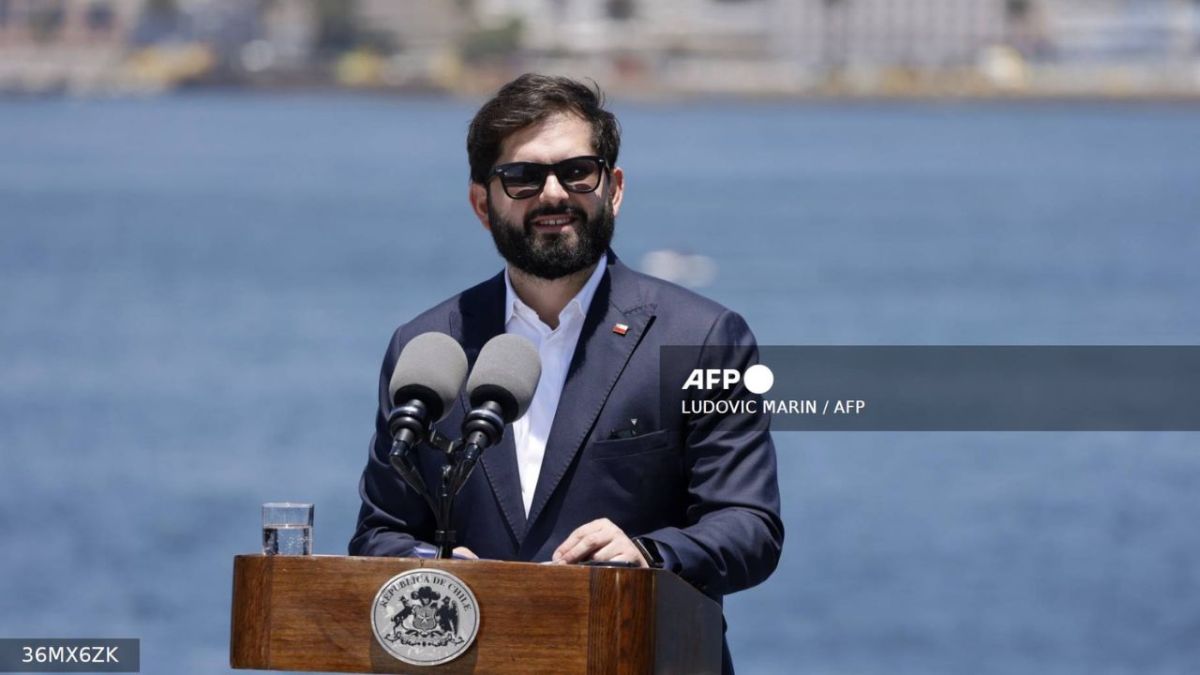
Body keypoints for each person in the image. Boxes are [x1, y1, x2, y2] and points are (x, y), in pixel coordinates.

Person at [349, 73, 783, 673]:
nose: (553, 194)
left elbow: (749, 527)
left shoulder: (703, 339)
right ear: (483, 203)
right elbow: (382, 532)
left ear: (615, 188)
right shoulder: (427, 348)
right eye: (523, 177)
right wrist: (430, 563)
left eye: (577, 171)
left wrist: (647, 553)